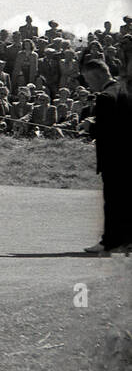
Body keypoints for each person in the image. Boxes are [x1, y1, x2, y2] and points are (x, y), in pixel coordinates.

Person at [78, 50, 131, 254]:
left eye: (88, 81)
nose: (89, 86)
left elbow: (108, 131)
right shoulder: (125, 90)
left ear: (96, 76)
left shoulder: (104, 97)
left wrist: (90, 127)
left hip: (114, 158)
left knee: (113, 201)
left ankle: (109, 241)